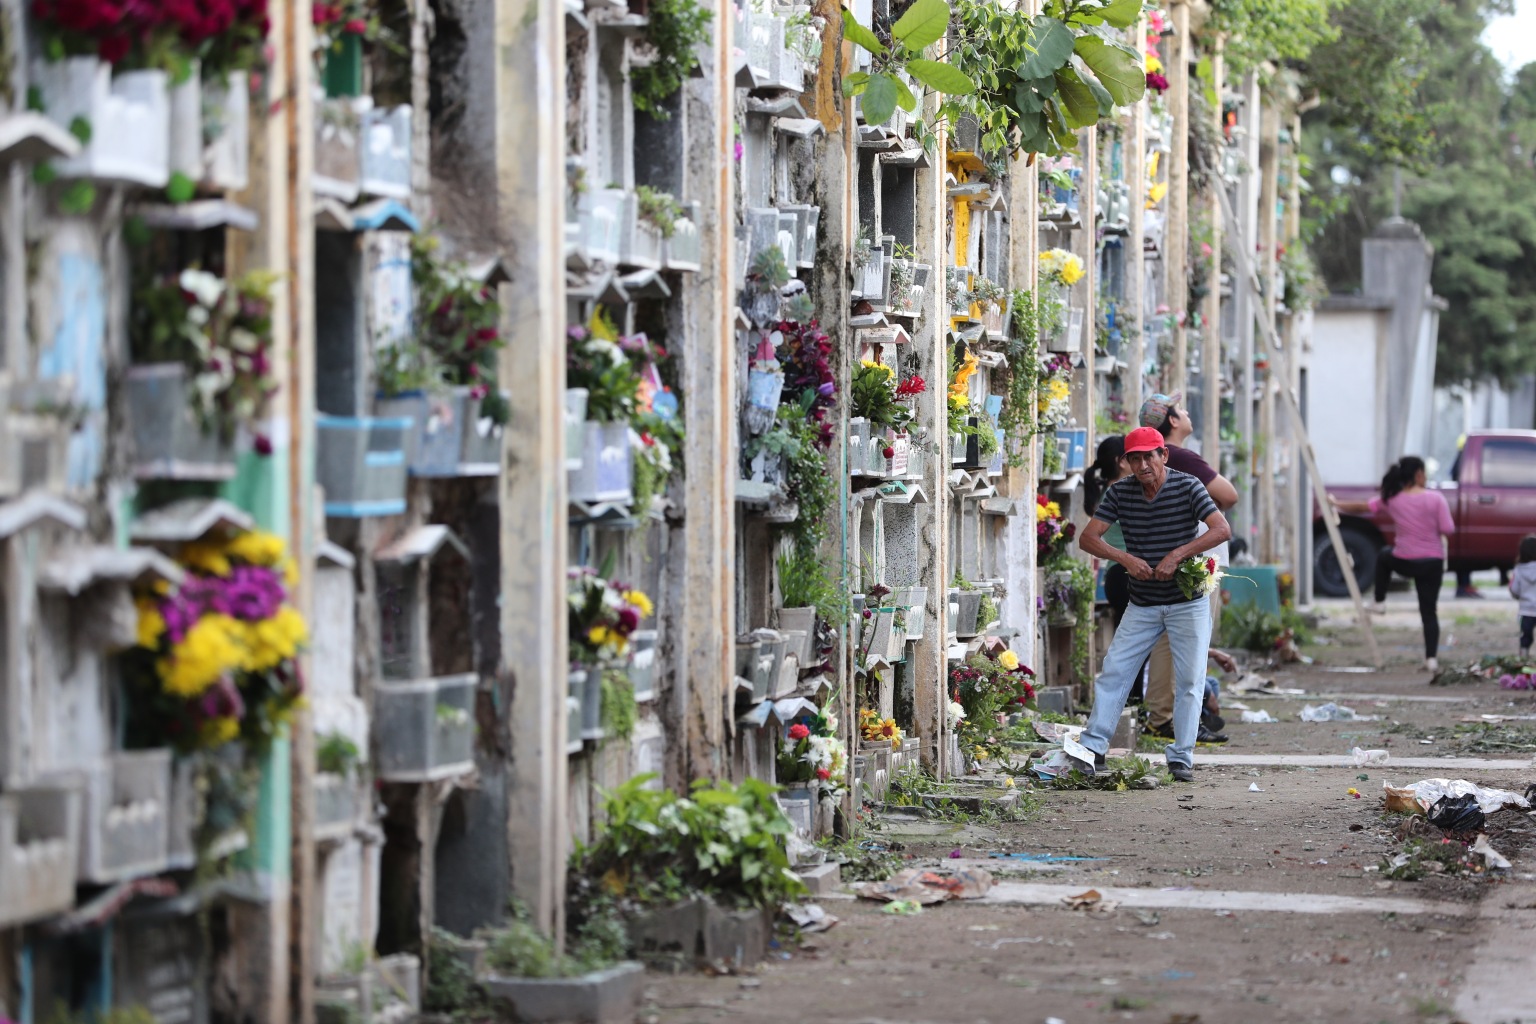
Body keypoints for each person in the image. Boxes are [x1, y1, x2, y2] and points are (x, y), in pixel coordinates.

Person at [1078, 426, 1232, 783]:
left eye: (1150, 455)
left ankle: (1181, 757)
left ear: (1164, 455)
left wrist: (1178, 554)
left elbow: (1221, 529)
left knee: (1191, 680)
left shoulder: (1188, 485)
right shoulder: (1120, 492)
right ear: (1126, 462)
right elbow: (1089, 538)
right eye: (1136, 458)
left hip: (1187, 600)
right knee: (1115, 670)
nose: (1144, 464)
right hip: (1143, 602)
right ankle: (1093, 748)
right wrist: (1125, 559)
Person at [1137, 393, 1239, 741]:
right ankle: (1183, 720)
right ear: (1173, 421)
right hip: (1196, 558)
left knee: (1167, 640)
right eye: (1180, 409)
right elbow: (1228, 495)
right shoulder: (1178, 456)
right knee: (1191, 640)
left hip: (1169, 556)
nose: (1187, 412)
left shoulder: (1149, 459)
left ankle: (1162, 717)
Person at [1330, 456, 1454, 671]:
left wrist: (1336, 503)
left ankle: (1379, 601)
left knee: (1384, 555)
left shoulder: (1392, 499)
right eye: (1424, 473)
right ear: (1417, 474)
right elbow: (1448, 529)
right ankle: (1431, 659)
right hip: (1432, 563)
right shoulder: (1436, 499)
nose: (1425, 477)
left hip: (1405, 561)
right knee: (1429, 612)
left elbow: (1362, 507)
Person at [1509, 535, 1536, 658]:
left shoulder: (1518, 570)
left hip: (1526, 610)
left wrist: (1517, 596)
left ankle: (1523, 655)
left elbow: (1514, 588)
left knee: (1525, 635)